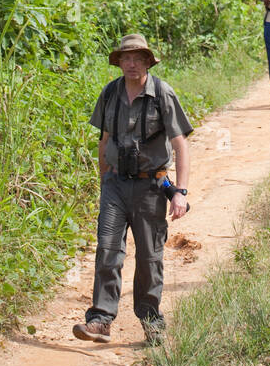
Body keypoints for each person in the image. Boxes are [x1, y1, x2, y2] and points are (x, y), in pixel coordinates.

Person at [74, 34, 192, 344]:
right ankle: (100, 319)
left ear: (148, 62)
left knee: (150, 256)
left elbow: (180, 145)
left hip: (150, 185)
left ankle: (151, 319)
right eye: (126, 58)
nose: (131, 63)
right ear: (119, 62)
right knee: (108, 250)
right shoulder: (111, 93)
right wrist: (104, 181)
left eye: (138, 58)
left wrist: (180, 191)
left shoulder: (162, 94)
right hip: (114, 184)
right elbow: (103, 141)